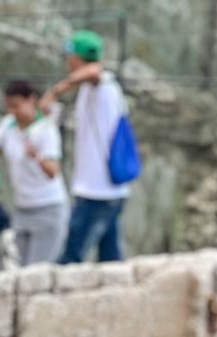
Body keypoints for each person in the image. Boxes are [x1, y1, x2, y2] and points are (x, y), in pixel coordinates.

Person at [43, 30, 129, 264]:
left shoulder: (104, 84)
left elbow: (94, 70)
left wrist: (56, 91)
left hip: (97, 192)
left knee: (70, 258)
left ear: (76, 58)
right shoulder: (91, 91)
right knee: (111, 261)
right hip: (109, 191)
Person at [0, 81, 68, 266]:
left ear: (31, 100)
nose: (13, 111)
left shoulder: (46, 130)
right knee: (21, 267)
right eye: (9, 106)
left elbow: (53, 171)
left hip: (48, 207)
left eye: (17, 106)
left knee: (37, 270)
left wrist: (37, 156)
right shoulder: (8, 126)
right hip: (22, 208)